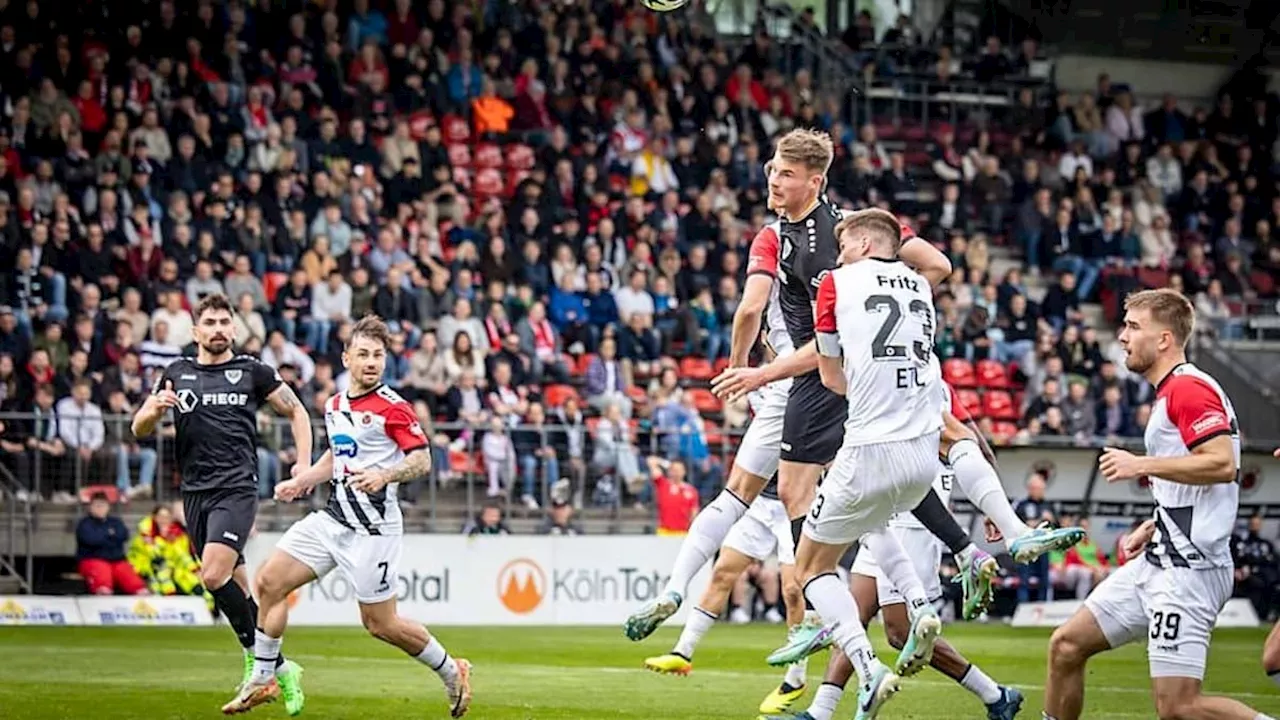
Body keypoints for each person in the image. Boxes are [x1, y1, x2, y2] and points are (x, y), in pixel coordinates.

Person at [1044, 288, 1274, 720]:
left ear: (1164, 339)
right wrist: (1155, 524)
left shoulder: (1188, 389)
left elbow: (1221, 463)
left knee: (1179, 707)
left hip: (1190, 571)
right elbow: (1195, 478)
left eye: (1133, 326)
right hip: (1160, 559)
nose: (1123, 337)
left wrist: (1139, 465)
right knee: (1066, 646)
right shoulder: (1174, 390)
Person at [231, 315, 472, 717]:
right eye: (363, 354)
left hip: (373, 529)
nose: (372, 362)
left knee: (381, 624)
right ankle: (264, 678)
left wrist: (385, 474)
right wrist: (304, 480)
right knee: (269, 581)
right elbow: (337, 457)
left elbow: (422, 458)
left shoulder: (394, 408)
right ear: (346, 359)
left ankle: (452, 670)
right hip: (333, 519)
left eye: (378, 355)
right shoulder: (335, 405)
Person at [767, 383, 1026, 720]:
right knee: (853, 616)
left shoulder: (905, 375)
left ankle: (994, 694)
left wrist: (994, 504)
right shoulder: (924, 373)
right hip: (880, 507)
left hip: (914, 515)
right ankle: (821, 711)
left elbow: (965, 437)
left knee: (900, 631)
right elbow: (972, 437)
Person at [787, 209, 951, 719]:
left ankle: (866, 666)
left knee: (810, 567)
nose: (836, 256)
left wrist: (856, 379)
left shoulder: (835, 282)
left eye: (842, 245)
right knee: (878, 522)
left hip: (870, 446)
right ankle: (922, 605)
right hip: (923, 456)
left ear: (859, 244)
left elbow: (830, 373)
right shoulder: (921, 288)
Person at [131, 293, 312, 715]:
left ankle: (260, 665)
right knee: (240, 590)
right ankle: (279, 670)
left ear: (234, 328)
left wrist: (301, 466)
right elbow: (138, 428)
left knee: (212, 575)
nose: (217, 329)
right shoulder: (175, 373)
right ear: (195, 331)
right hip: (194, 492)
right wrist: (155, 409)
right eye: (209, 322)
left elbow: (298, 412)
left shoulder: (252, 371)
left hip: (236, 488)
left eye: (223, 322)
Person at [642, 466, 815, 717]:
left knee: (792, 590)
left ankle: (795, 678)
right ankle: (682, 652)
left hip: (798, 499)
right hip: (759, 500)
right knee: (722, 572)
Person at [75, 492, 147, 596]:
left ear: (108, 507)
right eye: (97, 505)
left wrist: (103, 536)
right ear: (90, 507)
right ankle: (103, 593)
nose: (100, 508)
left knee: (128, 574)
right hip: (93, 560)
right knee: (102, 571)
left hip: (116, 561)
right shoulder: (84, 524)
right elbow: (91, 540)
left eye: (103, 505)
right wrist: (110, 535)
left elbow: (124, 535)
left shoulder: (115, 522)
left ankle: (141, 595)